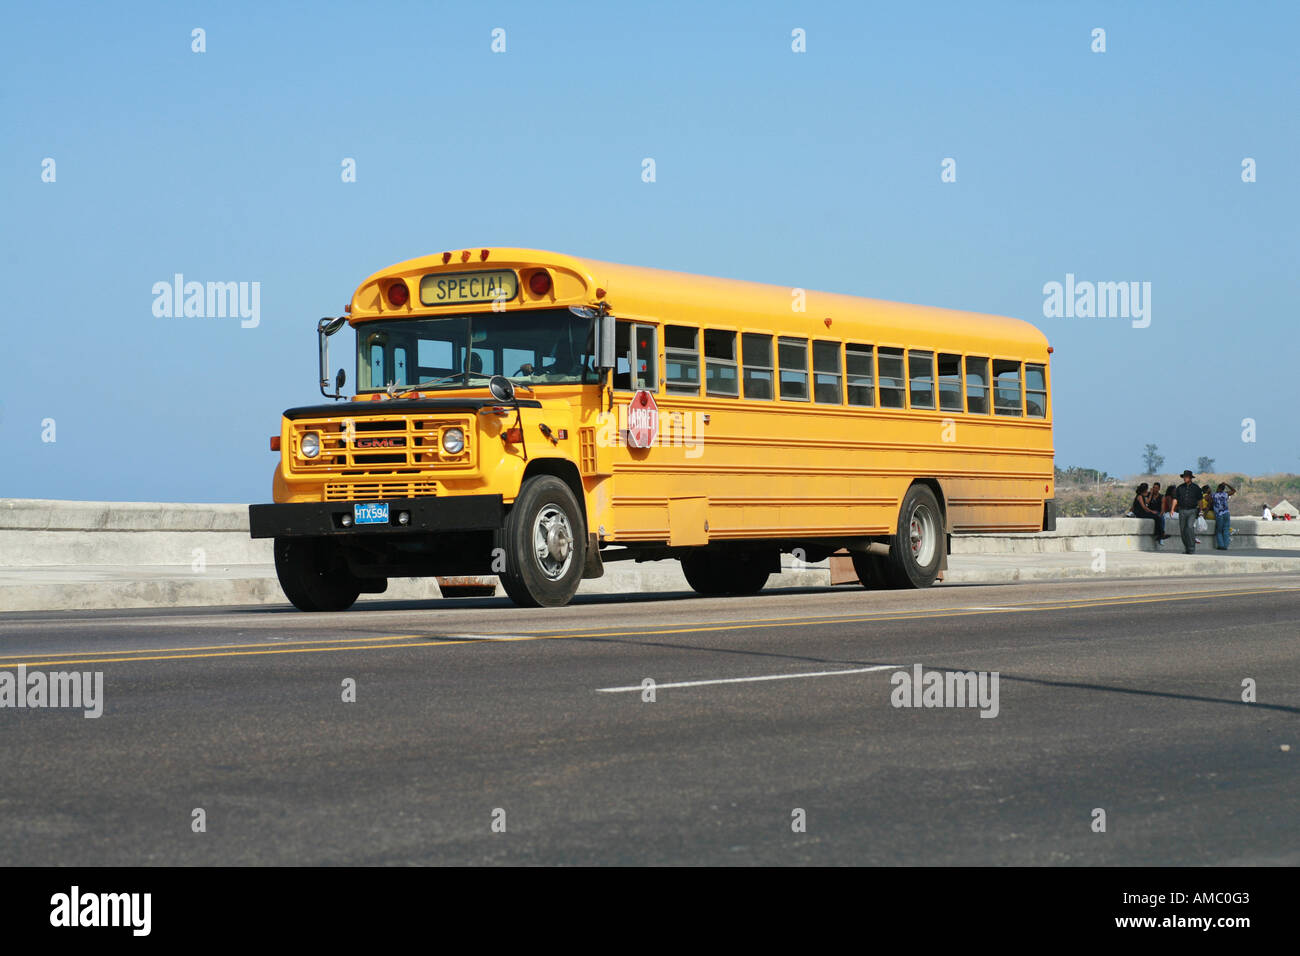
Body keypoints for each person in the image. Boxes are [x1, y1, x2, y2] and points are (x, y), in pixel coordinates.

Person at [1173, 470, 1202, 554]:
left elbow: (1200, 500)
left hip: (1192, 510)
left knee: (1189, 527)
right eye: (1184, 477)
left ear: (1190, 478)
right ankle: (1187, 547)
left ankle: (1192, 547)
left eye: (1186, 477)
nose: (1184, 478)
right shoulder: (1180, 488)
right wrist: (1172, 509)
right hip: (1182, 510)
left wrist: (1201, 510)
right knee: (1182, 530)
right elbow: (1175, 499)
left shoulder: (1196, 488)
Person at [1212, 482, 1237, 549]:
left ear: (1218, 488)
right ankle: (1225, 546)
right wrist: (1227, 484)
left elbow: (1207, 500)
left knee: (1219, 531)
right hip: (1226, 513)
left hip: (1219, 514)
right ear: (1223, 489)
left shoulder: (1214, 495)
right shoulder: (1225, 494)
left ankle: (1221, 545)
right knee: (1226, 530)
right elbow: (1234, 490)